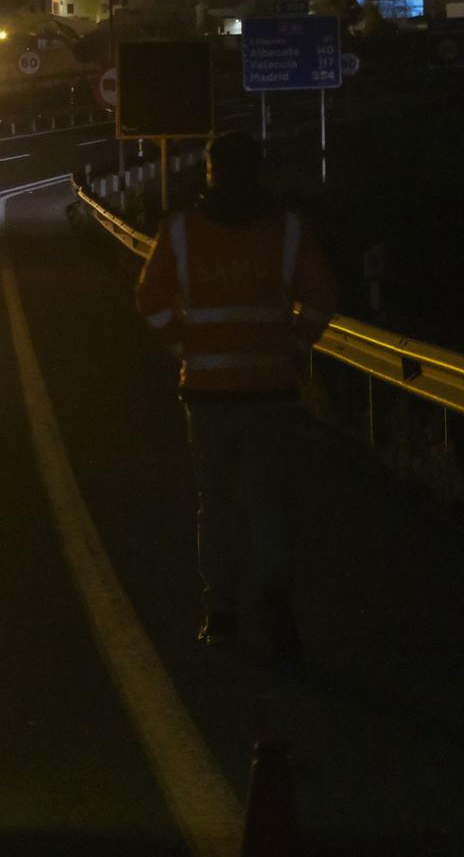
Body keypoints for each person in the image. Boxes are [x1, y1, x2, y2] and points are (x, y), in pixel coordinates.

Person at [134, 131, 337, 658]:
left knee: (215, 506)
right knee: (268, 503)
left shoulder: (179, 231)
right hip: (270, 389)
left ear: (209, 172)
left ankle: (220, 613)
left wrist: (184, 347)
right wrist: (293, 345)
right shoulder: (288, 231)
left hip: (206, 392)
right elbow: (320, 301)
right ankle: (276, 610)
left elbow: (150, 301)